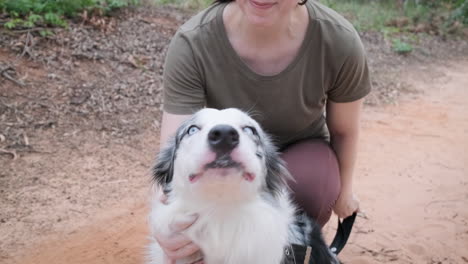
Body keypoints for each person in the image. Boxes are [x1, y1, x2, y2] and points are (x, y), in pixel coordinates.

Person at [153, 0, 371, 262]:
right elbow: (173, 155)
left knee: (310, 186)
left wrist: (344, 194)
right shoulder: (193, 41)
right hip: (223, 152)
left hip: (303, 152)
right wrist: (164, 224)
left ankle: (293, 251)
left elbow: (344, 131)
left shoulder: (338, 39)